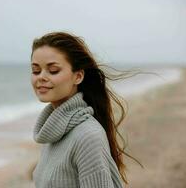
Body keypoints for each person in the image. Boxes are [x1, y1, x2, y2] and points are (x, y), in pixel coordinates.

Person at [30, 32, 140, 188]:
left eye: (53, 70)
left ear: (78, 76)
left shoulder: (88, 136)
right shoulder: (52, 131)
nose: (41, 77)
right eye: (36, 70)